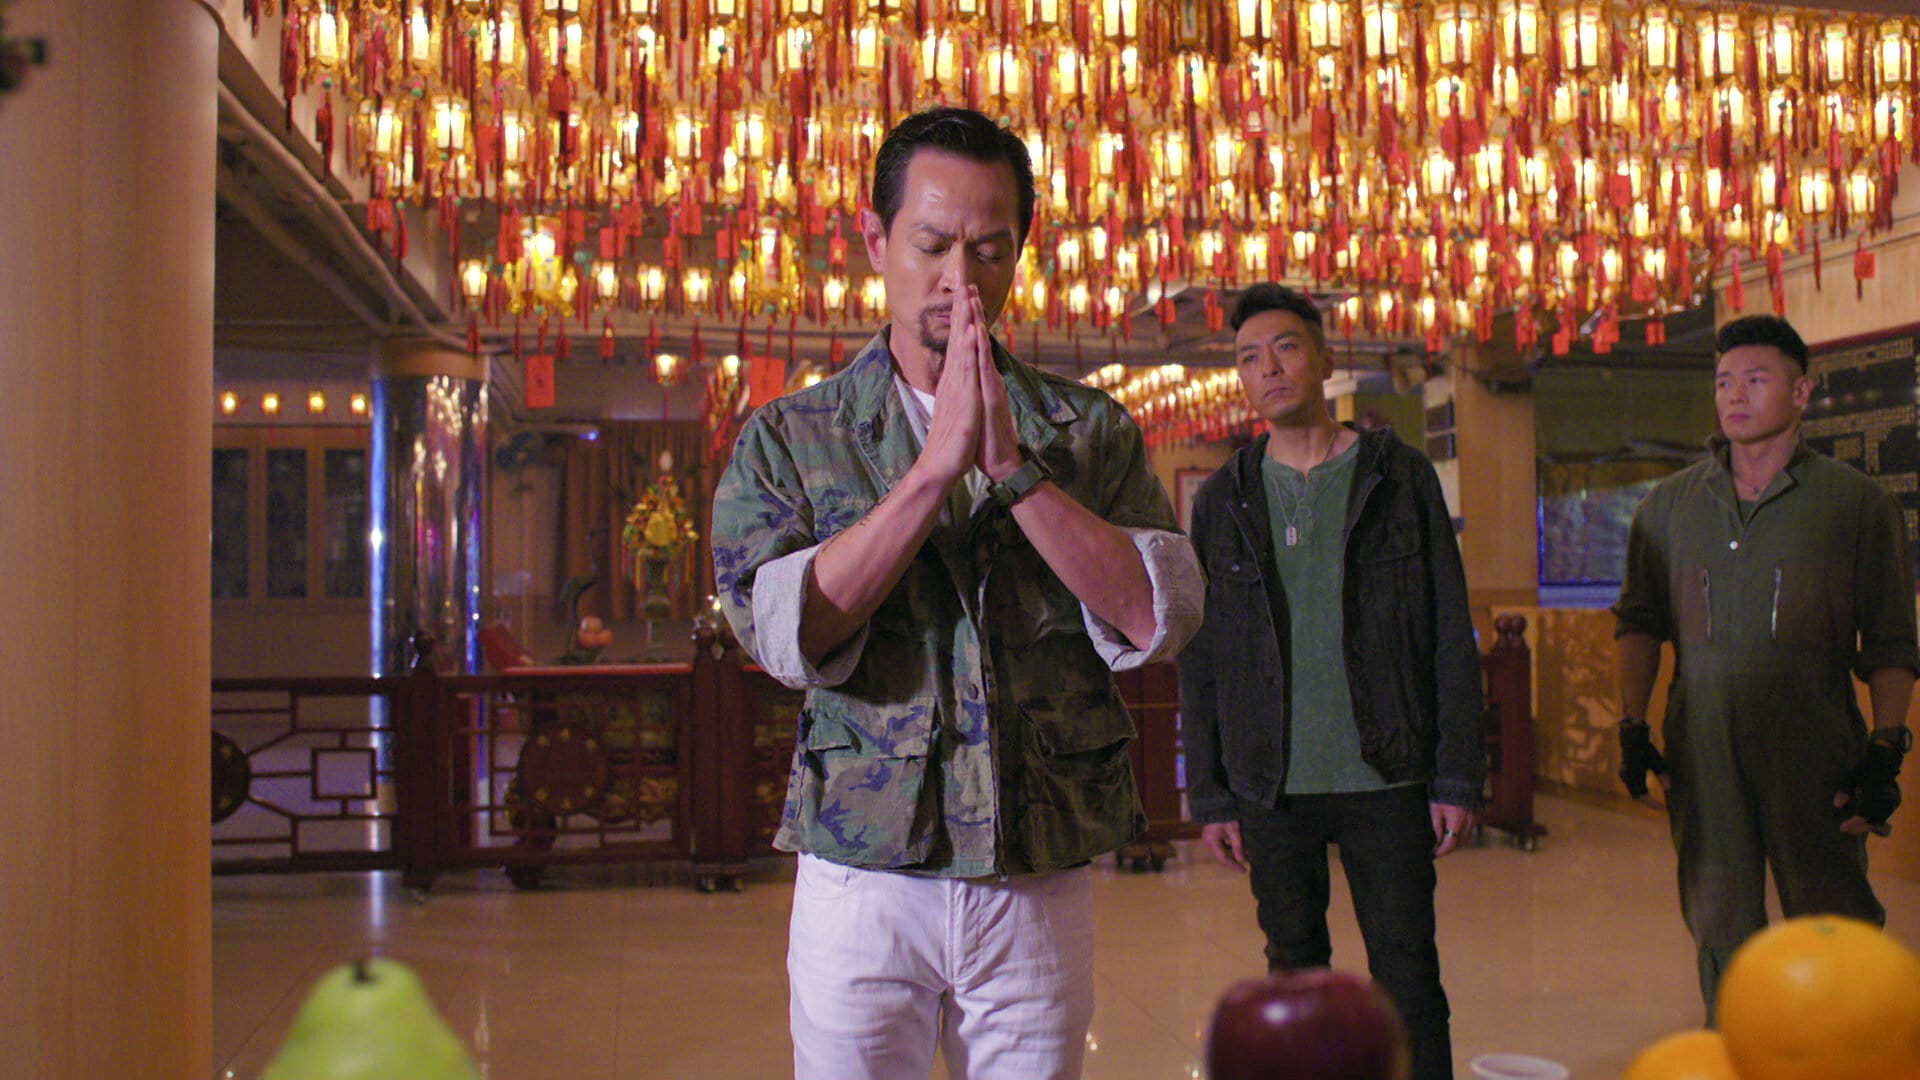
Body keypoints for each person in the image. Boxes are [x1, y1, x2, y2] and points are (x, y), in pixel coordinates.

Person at [708, 106, 1203, 1080]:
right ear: (875, 241)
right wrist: (935, 468)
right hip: (863, 869)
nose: (959, 279)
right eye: (931, 245)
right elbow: (783, 635)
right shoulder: (791, 437)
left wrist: (1014, 469)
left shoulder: (1089, 430)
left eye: (990, 250)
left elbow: (1159, 617)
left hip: (1036, 863)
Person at [1178, 283, 1485, 1080]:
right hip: (1270, 780)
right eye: (1249, 357)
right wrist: (1210, 793)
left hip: (1388, 769)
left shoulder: (1398, 477)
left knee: (1408, 978)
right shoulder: (1225, 498)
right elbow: (1204, 653)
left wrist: (1457, 775)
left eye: (1285, 348)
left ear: (1322, 359)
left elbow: (1448, 627)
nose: (1269, 368)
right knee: (1293, 979)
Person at [1613, 313, 1916, 1018]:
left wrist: (1886, 749)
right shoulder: (1668, 508)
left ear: (1802, 392)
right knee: (1719, 919)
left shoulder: (1856, 505)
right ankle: (1735, 1045)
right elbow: (1639, 623)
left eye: (1755, 379)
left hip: (1815, 750)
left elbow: (1892, 642)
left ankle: (1844, 1055)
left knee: (1832, 917)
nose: (1735, 395)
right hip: (1703, 752)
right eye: (1724, 382)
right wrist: (1631, 726)